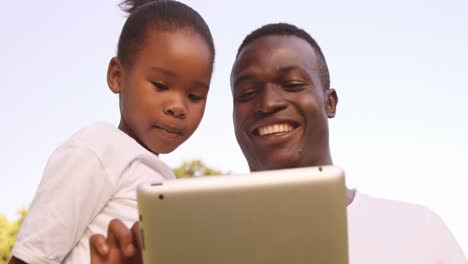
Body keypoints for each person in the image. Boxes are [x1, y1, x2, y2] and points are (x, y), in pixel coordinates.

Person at [89, 23, 467, 263]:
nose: (268, 103)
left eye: (291, 84)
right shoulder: (196, 249)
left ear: (329, 102)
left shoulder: (419, 229)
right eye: (247, 92)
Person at [9, 0, 215, 263]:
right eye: (161, 85)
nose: (178, 107)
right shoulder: (98, 149)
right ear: (117, 76)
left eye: (195, 95)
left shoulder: (165, 182)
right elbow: (30, 258)